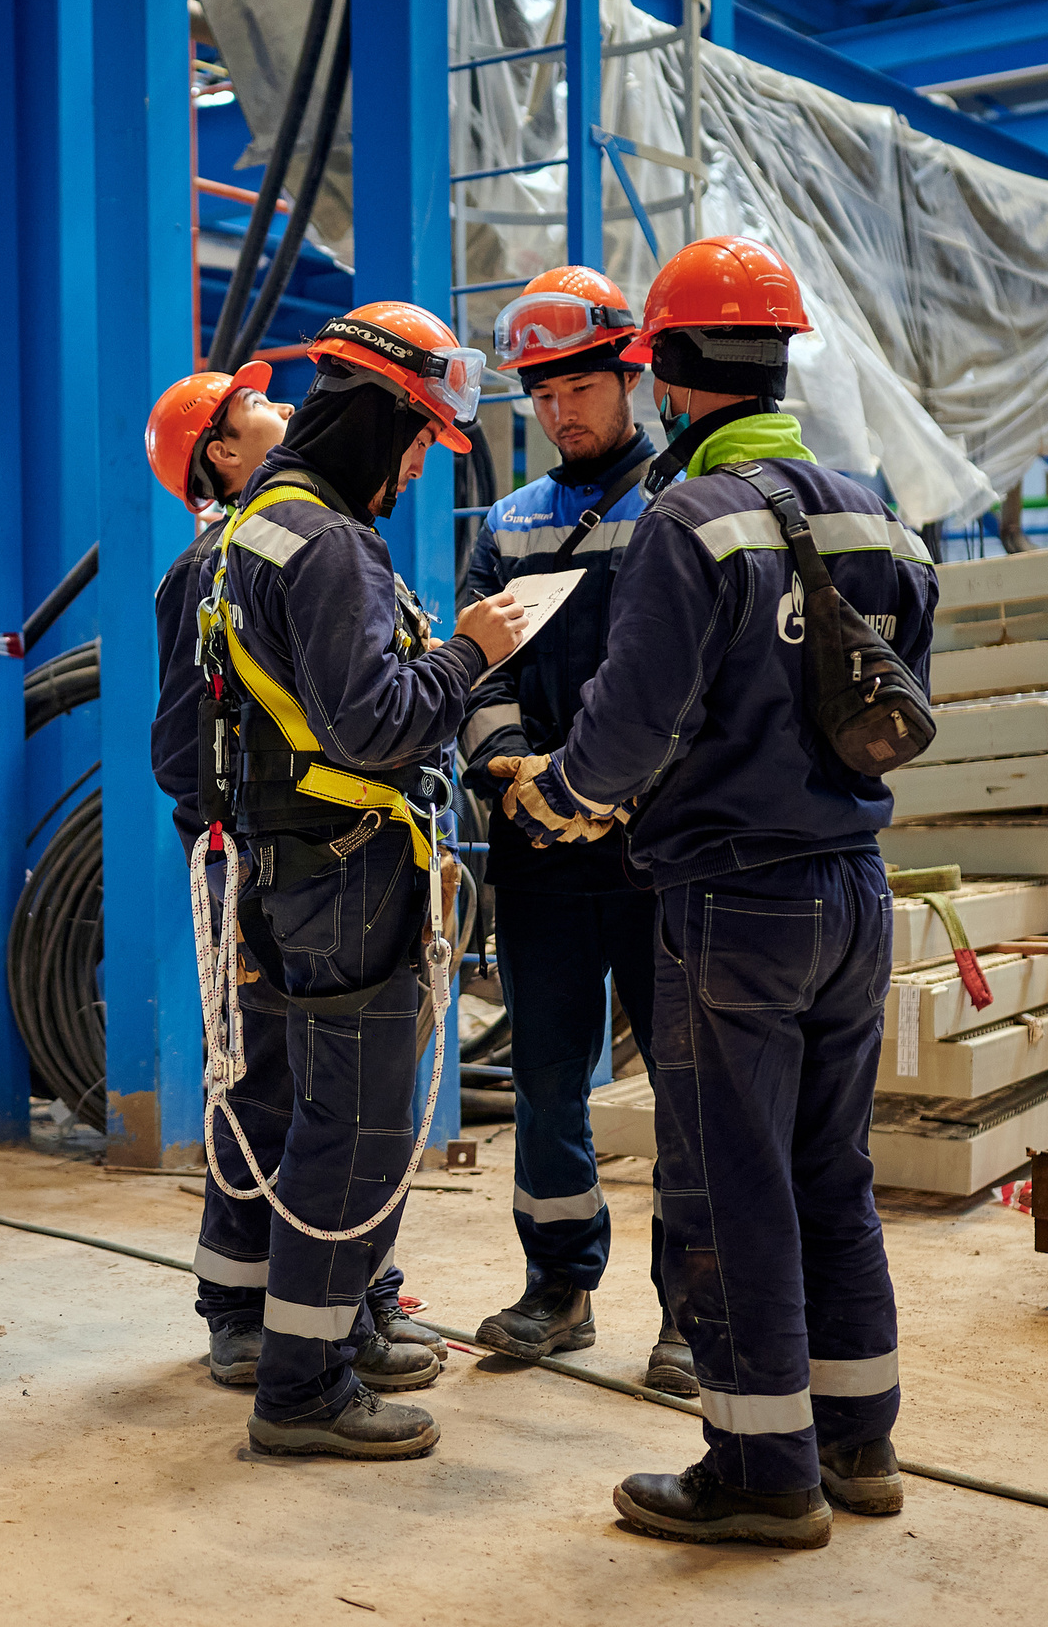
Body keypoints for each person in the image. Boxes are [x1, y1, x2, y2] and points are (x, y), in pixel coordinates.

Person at [495, 236, 936, 1548]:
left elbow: (628, 730)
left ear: (670, 373)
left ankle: (761, 1473)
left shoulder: (694, 520)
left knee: (735, 1183)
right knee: (831, 1178)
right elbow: (900, 705)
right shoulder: (879, 510)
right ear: (781, 356)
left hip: (734, 905)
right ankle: (860, 1447)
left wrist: (560, 798)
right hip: (855, 889)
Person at [204, 302, 524, 1460]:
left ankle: (321, 1348)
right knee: (355, 1131)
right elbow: (376, 724)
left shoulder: (255, 525)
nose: (405, 476)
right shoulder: (333, 544)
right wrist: (471, 653)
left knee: (324, 1121)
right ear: (378, 420)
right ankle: (302, 1389)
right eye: (411, 445)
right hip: (347, 875)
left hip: (295, 867)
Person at [145, 362, 448, 1398]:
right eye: (250, 407)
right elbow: (185, 750)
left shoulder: (297, 535)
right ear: (221, 455)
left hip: (300, 861)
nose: (278, 407)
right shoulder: (230, 560)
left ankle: (344, 1302)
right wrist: (252, 851)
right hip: (277, 867)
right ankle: (248, 1312)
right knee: (278, 1094)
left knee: (338, 1101)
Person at [457, 267, 692, 1397]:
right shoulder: (506, 525)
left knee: (689, 1084)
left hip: (658, 850)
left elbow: (698, 674)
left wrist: (618, 778)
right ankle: (558, 1287)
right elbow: (472, 661)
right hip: (538, 852)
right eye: (542, 395)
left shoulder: (683, 502)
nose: (560, 413)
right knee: (548, 1079)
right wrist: (508, 764)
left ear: (630, 374)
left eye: (580, 387)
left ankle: (692, 1315)